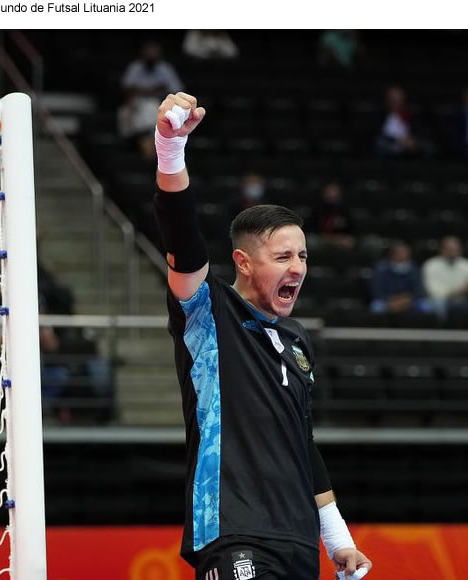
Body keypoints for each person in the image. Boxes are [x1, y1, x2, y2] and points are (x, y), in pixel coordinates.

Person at [152, 92, 372, 580]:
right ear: (244, 263)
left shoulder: (296, 339)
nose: (298, 268)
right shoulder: (208, 312)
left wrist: (338, 540)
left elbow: (302, 441)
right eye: (283, 257)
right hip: (234, 529)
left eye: (304, 256)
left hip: (296, 540)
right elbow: (182, 240)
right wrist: (170, 149)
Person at [118, 41, 182, 160]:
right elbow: (128, 89)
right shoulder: (135, 67)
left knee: (152, 109)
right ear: (143, 53)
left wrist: (157, 93)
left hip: (159, 103)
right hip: (136, 103)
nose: (151, 55)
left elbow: (176, 91)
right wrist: (130, 107)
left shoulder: (165, 69)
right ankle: (134, 146)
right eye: (149, 52)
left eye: (154, 53)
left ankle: (152, 151)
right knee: (124, 114)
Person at [422, 235, 468, 320]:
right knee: (436, 305)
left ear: (460, 250)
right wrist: (459, 290)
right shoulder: (431, 265)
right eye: (449, 249)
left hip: (465, 300)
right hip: (443, 301)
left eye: (455, 249)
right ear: (442, 249)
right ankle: (440, 331)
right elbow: (434, 292)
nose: (452, 251)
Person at [370, 241, 432, 314]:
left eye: (405, 252)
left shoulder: (414, 269)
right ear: (392, 254)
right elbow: (377, 290)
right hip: (387, 300)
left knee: (426, 306)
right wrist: (391, 301)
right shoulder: (381, 269)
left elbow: (419, 290)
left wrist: (407, 300)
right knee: (377, 307)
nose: (402, 255)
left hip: (409, 300)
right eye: (399, 253)